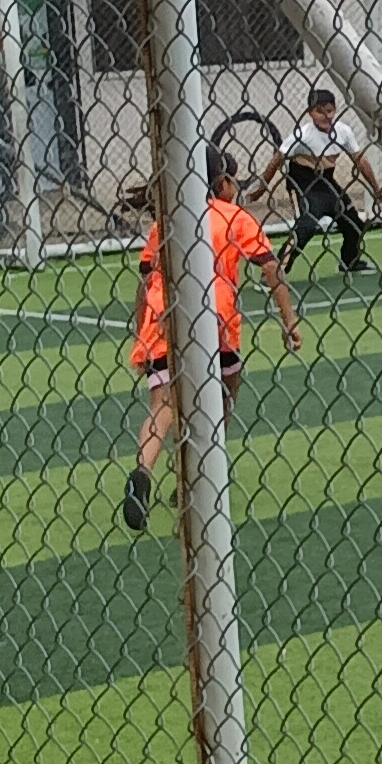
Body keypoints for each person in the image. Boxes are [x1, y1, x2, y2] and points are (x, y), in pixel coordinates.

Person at [123, 146, 302, 534]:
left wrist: (142, 333)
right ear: (221, 183)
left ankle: (142, 471)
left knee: (162, 404)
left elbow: (146, 281)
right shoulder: (233, 216)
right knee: (225, 390)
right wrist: (289, 320)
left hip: (163, 316)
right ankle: (202, 469)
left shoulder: (166, 222)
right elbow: (270, 267)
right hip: (214, 318)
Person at [258, 88, 382, 273]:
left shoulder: (343, 132)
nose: (326, 116)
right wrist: (261, 189)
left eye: (329, 111)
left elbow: (360, 161)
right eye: (319, 111)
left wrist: (376, 188)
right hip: (303, 184)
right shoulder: (302, 135)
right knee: (306, 227)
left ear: (335, 109)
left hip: (327, 183)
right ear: (310, 113)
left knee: (354, 224)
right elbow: (276, 160)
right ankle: (276, 271)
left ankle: (349, 262)